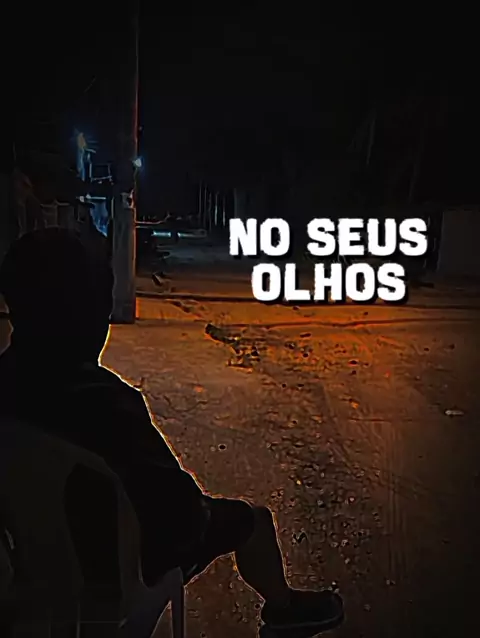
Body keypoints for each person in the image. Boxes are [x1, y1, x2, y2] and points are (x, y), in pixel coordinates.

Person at [0, 228, 344, 636]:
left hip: (26, 567)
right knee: (251, 519)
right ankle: (283, 608)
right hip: (114, 577)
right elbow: (179, 514)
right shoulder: (108, 405)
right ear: (89, 316)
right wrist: (204, 518)